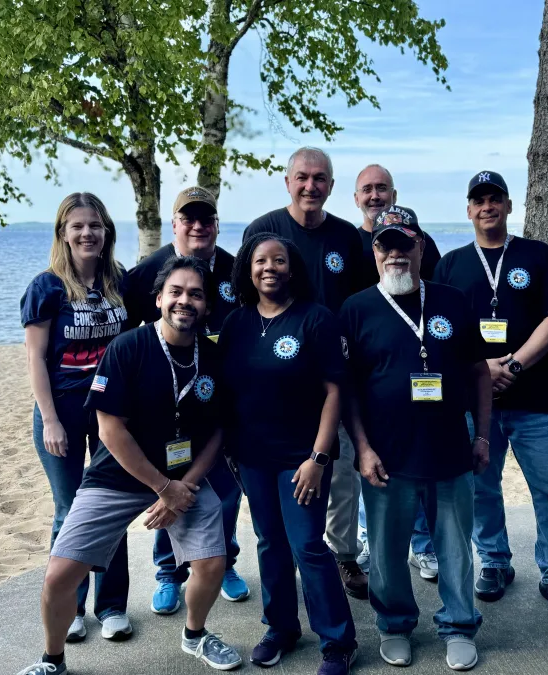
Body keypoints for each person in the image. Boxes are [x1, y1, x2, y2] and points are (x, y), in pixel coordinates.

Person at [17, 256, 242, 675]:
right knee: (59, 576)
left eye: (196, 294)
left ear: (208, 306)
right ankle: (53, 660)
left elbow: (218, 434)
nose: (185, 301)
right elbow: (109, 431)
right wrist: (163, 488)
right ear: (158, 299)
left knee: (213, 563)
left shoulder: (212, 358)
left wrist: (184, 487)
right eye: (175, 292)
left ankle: (195, 634)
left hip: (184, 477)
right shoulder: (128, 347)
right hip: (120, 474)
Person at [341, 206, 491, 671]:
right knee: (386, 550)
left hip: (451, 448)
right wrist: (362, 449)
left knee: (455, 546)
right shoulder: (357, 308)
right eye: (386, 245)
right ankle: (395, 625)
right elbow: (346, 390)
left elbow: (479, 372)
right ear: (375, 251)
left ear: (421, 247)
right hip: (386, 455)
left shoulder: (452, 300)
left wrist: (483, 435)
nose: (396, 254)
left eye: (405, 244)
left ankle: (460, 624)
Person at [433, 171, 548, 621]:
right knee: (481, 488)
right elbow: (440, 334)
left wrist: (513, 364)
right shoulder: (452, 264)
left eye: (494, 198)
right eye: (478, 200)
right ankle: (495, 563)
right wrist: (482, 370)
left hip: (537, 399)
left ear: (508, 205)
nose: (486, 206)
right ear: (468, 210)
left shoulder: (538, 255)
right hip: (475, 404)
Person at [219, 233, 358, 675]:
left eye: (279, 260)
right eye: (260, 261)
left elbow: (335, 391)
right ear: (248, 269)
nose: (269, 268)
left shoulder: (315, 319)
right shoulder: (237, 322)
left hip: (303, 460)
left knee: (308, 547)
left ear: (292, 268)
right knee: (269, 543)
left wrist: (318, 459)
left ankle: (338, 640)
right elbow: (227, 391)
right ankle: (281, 626)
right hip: (253, 458)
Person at [243, 147, 367, 599]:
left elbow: (358, 305)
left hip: (335, 374)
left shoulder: (348, 238)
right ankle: (296, 552)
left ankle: (344, 557)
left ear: (332, 186)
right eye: (302, 177)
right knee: (282, 476)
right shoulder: (263, 230)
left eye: (320, 178)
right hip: (281, 376)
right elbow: (247, 296)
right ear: (287, 181)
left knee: (341, 471)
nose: (310, 186)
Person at [127, 186, 249, 613]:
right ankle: (168, 573)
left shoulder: (237, 269)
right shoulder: (148, 272)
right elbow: (129, 337)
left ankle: (225, 562)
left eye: (207, 219)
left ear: (217, 225)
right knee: (172, 489)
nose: (198, 226)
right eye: (188, 218)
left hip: (225, 401)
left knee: (226, 493)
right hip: (172, 409)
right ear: (174, 224)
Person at [21, 193, 132, 644]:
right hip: (61, 412)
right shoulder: (46, 288)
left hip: (112, 413)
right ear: (63, 234)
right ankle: (72, 607)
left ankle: (112, 607)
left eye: (95, 225)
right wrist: (49, 420)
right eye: (77, 226)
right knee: (70, 511)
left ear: (107, 232)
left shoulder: (120, 282)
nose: (87, 233)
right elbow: (35, 359)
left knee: (110, 506)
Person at [352, 165, 442, 581]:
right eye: (366, 189)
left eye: (381, 188)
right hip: (375, 380)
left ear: (393, 192)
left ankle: (422, 546)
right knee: (376, 470)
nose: (375, 195)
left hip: (424, 382)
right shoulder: (350, 243)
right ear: (356, 197)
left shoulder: (423, 241)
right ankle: (372, 539)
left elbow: (435, 300)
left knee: (423, 466)